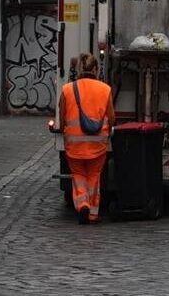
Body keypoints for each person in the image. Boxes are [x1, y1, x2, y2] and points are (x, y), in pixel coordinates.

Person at [56, 53, 114, 223]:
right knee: (94, 176)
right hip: (97, 145)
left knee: (79, 175)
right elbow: (111, 118)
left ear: (80, 69)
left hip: (74, 145)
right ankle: (93, 214)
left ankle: (82, 205)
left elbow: (62, 115)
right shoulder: (105, 89)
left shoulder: (67, 89)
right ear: (96, 69)